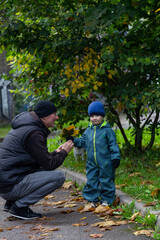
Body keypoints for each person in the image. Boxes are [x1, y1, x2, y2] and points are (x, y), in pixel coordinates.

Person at [0, 100, 74, 220]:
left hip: (6, 183)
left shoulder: (27, 127)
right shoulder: (34, 133)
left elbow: (39, 160)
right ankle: (19, 207)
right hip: (10, 186)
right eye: (54, 114)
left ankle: (12, 202)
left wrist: (57, 152)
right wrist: (64, 153)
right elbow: (49, 165)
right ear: (44, 116)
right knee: (58, 177)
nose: (57, 117)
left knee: (41, 171)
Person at [70, 101, 120, 207]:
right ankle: (93, 199)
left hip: (106, 162)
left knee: (106, 180)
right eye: (92, 116)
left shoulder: (107, 131)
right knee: (91, 179)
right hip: (92, 162)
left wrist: (115, 157)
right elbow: (82, 141)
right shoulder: (88, 131)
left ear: (102, 115)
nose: (94, 118)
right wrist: (74, 140)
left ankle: (106, 199)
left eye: (97, 115)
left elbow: (113, 145)